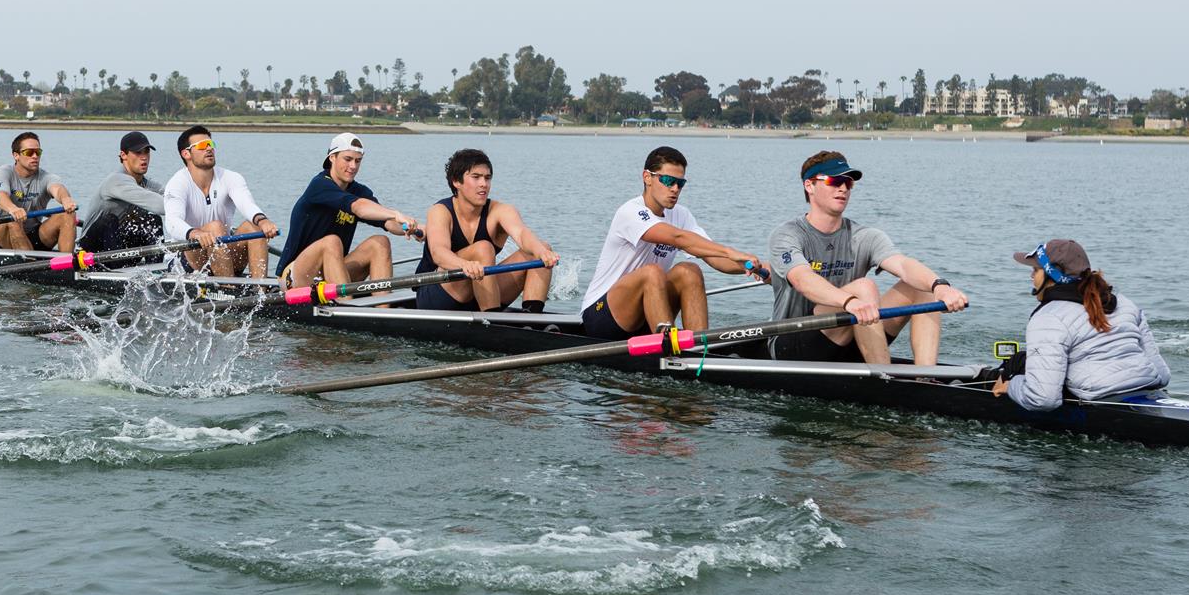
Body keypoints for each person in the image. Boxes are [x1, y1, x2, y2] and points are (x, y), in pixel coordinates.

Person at [763, 150, 968, 364]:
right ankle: (881, 374)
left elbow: (903, 265)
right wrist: (849, 302)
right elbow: (802, 280)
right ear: (809, 186)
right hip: (792, 342)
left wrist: (939, 286)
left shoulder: (864, 236)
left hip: (853, 330)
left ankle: (926, 376)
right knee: (864, 288)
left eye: (848, 183)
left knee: (921, 287)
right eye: (834, 181)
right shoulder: (788, 235)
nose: (843, 188)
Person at [581, 146, 769, 338]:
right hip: (602, 316)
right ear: (647, 177)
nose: (675, 189)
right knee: (652, 272)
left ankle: (701, 349)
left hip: (647, 314)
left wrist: (756, 267)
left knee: (689, 271)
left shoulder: (681, 215)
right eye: (668, 181)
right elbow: (677, 238)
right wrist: (729, 251)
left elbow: (714, 257)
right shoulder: (630, 212)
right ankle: (669, 345)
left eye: (680, 183)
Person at [993, 240, 1171, 410]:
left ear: (1051, 274)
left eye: (1035, 270)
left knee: (1022, 366)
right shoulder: (1126, 303)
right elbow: (1162, 376)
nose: (1031, 276)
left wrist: (1012, 385)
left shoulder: (1048, 317)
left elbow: (1043, 399)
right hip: (1148, 391)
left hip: (1097, 405)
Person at [414, 148, 559, 312]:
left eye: (487, 178)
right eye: (476, 177)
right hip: (436, 293)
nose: (484, 184)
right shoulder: (440, 211)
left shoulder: (501, 210)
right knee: (483, 248)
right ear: (456, 181)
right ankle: (492, 319)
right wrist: (465, 265)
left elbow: (521, 234)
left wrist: (541, 252)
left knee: (540, 248)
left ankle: (533, 317)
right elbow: (439, 253)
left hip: (480, 289)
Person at [278, 133, 420, 288]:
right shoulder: (319, 185)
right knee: (331, 242)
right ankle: (345, 301)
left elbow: (388, 222)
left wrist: (413, 227)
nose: (353, 166)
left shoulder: (359, 191)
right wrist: (395, 213)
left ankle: (383, 302)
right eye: (348, 159)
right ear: (332, 157)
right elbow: (359, 208)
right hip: (295, 275)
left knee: (380, 242)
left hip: (332, 272)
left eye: (358, 161)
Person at [161, 125, 280, 276]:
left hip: (223, 252)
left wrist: (263, 221)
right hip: (189, 257)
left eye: (211, 144)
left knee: (254, 227)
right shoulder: (177, 183)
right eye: (202, 145)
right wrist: (195, 233)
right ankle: (228, 286)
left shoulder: (231, 177)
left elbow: (246, 204)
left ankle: (260, 287)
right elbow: (172, 222)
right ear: (186, 154)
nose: (209, 148)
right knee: (215, 227)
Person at [80, 131, 167, 258]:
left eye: (146, 152)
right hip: (90, 250)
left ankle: (155, 268)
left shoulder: (148, 184)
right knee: (110, 220)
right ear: (123, 155)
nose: (144, 157)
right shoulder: (116, 181)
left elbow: (172, 198)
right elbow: (162, 206)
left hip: (118, 243)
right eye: (138, 152)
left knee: (153, 220)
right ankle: (116, 268)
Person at [0, 131, 78, 252]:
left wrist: (66, 199)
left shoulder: (46, 177)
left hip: (33, 235)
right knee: (12, 219)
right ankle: (30, 261)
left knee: (67, 215)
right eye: (29, 152)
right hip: (2, 237)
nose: (35, 156)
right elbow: (0, 196)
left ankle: (66, 262)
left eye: (38, 152)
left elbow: (58, 189)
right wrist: (13, 209)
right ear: (16, 155)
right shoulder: (3, 172)